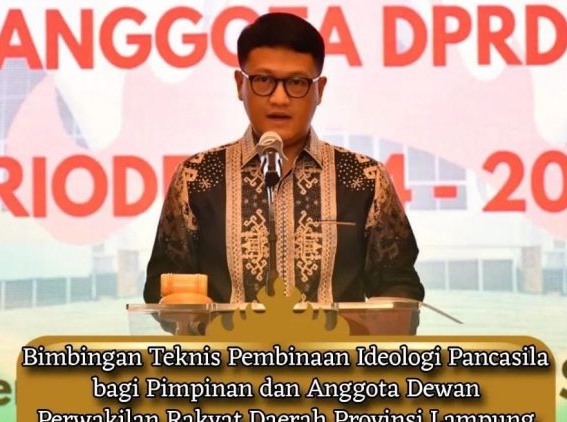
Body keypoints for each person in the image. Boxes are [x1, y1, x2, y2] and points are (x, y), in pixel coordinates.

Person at [144, 12, 424, 307]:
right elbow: (160, 289)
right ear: (240, 84)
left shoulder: (364, 178)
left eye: (297, 82)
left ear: (320, 90)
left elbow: (399, 287)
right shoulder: (197, 177)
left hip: (337, 340)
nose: (279, 98)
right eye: (263, 80)